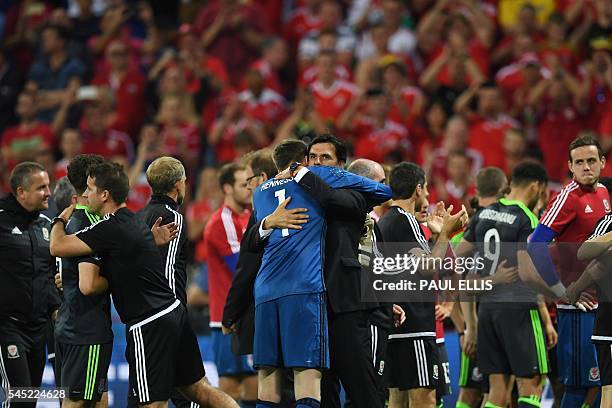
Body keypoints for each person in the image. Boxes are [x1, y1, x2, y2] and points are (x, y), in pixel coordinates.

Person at [49, 161, 239, 408]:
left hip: (148, 322)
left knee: (150, 403)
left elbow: (57, 246)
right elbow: (129, 261)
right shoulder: (134, 221)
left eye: (90, 189)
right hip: (173, 312)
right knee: (199, 389)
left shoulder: (108, 227)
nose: (86, 195)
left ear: (105, 194)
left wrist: (58, 220)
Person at [251, 139, 392, 408]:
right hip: (304, 302)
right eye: (312, 157)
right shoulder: (287, 192)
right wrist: (268, 222)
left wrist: (301, 173)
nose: (317, 163)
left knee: (362, 390)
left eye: (324, 158)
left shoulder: (351, 193)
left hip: (343, 305)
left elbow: (335, 198)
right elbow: (251, 242)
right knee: (319, 391)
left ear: (341, 165)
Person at [460, 162, 555, 408]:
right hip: (519, 311)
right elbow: (527, 272)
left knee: (497, 390)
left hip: (487, 312)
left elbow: (457, 260)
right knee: (531, 384)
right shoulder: (527, 218)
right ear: (537, 187)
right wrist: (560, 291)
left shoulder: (483, 214)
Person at [528, 134, 611, 408]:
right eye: (579, 162)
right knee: (577, 386)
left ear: (602, 162)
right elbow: (535, 244)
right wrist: (559, 291)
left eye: (591, 161)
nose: (586, 167)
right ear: (570, 166)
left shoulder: (603, 193)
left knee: (601, 382)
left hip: (600, 303)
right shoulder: (567, 197)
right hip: (578, 307)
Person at [378, 162, 467, 408]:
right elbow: (428, 267)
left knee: (398, 398)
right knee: (424, 399)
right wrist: (447, 233)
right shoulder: (406, 220)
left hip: (397, 327)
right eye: (426, 189)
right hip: (415, 327)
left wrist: (437, 234)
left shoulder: (386, 221)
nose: (428, 195)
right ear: (418, 189)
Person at [0, 162, 61, 408]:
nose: (49, 192)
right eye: (41, 187)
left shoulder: (47, 225)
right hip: (7, 327)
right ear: (21, 192)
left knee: (30, 400)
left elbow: (49, 275)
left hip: (38, 329)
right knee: (20, 400)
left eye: (48, 185)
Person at [53, 154, 113, 408]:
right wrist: (118, 279)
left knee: (97, 399)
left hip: (72, 324)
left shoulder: (68, 222)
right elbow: (88, 284)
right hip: (86, 331)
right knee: (77, 402)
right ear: (93, 183)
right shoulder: (90, 225)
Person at [204, 162, 258, 406]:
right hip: (228, 319)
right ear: (227, 188)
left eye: (250, 183)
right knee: (230, 387)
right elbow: (241, 267)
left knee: (255, 386)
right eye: (242, 184)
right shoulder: (221, 222)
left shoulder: (248, 216)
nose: (248, 189)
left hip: (248, 315)